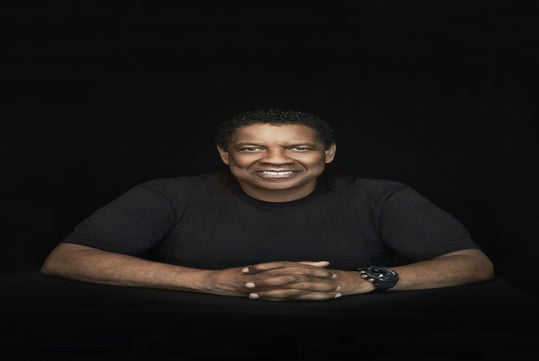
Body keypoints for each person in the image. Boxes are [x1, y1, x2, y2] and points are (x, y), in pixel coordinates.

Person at [41, 109, 494, 301]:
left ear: (327, 154)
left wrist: (357, 282)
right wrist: (208, 282)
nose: (276, 160)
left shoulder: (382, 196)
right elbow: (67, 259)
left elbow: (472, 264)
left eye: (298, 148)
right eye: (252, 148)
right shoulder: (167, 194)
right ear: (226, 155)